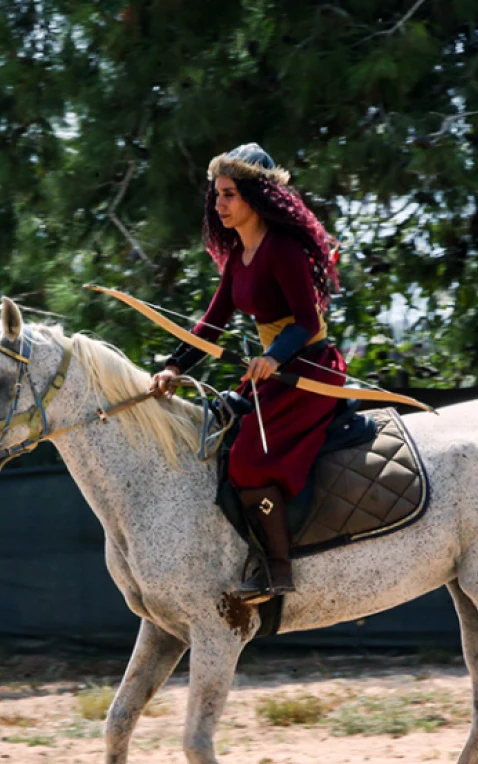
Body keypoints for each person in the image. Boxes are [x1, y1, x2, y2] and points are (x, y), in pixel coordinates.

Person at [147, 143, 348, 605]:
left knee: (249, 462)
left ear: (256, 197)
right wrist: (175, 365)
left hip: (311, 372)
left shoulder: (283, 249)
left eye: (229, 195)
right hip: (274, 373)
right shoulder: (239, 255)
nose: (219, 205)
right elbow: (211, 322)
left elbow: (307, 322)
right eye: (216, 195)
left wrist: (274, 356)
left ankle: (278, 570)